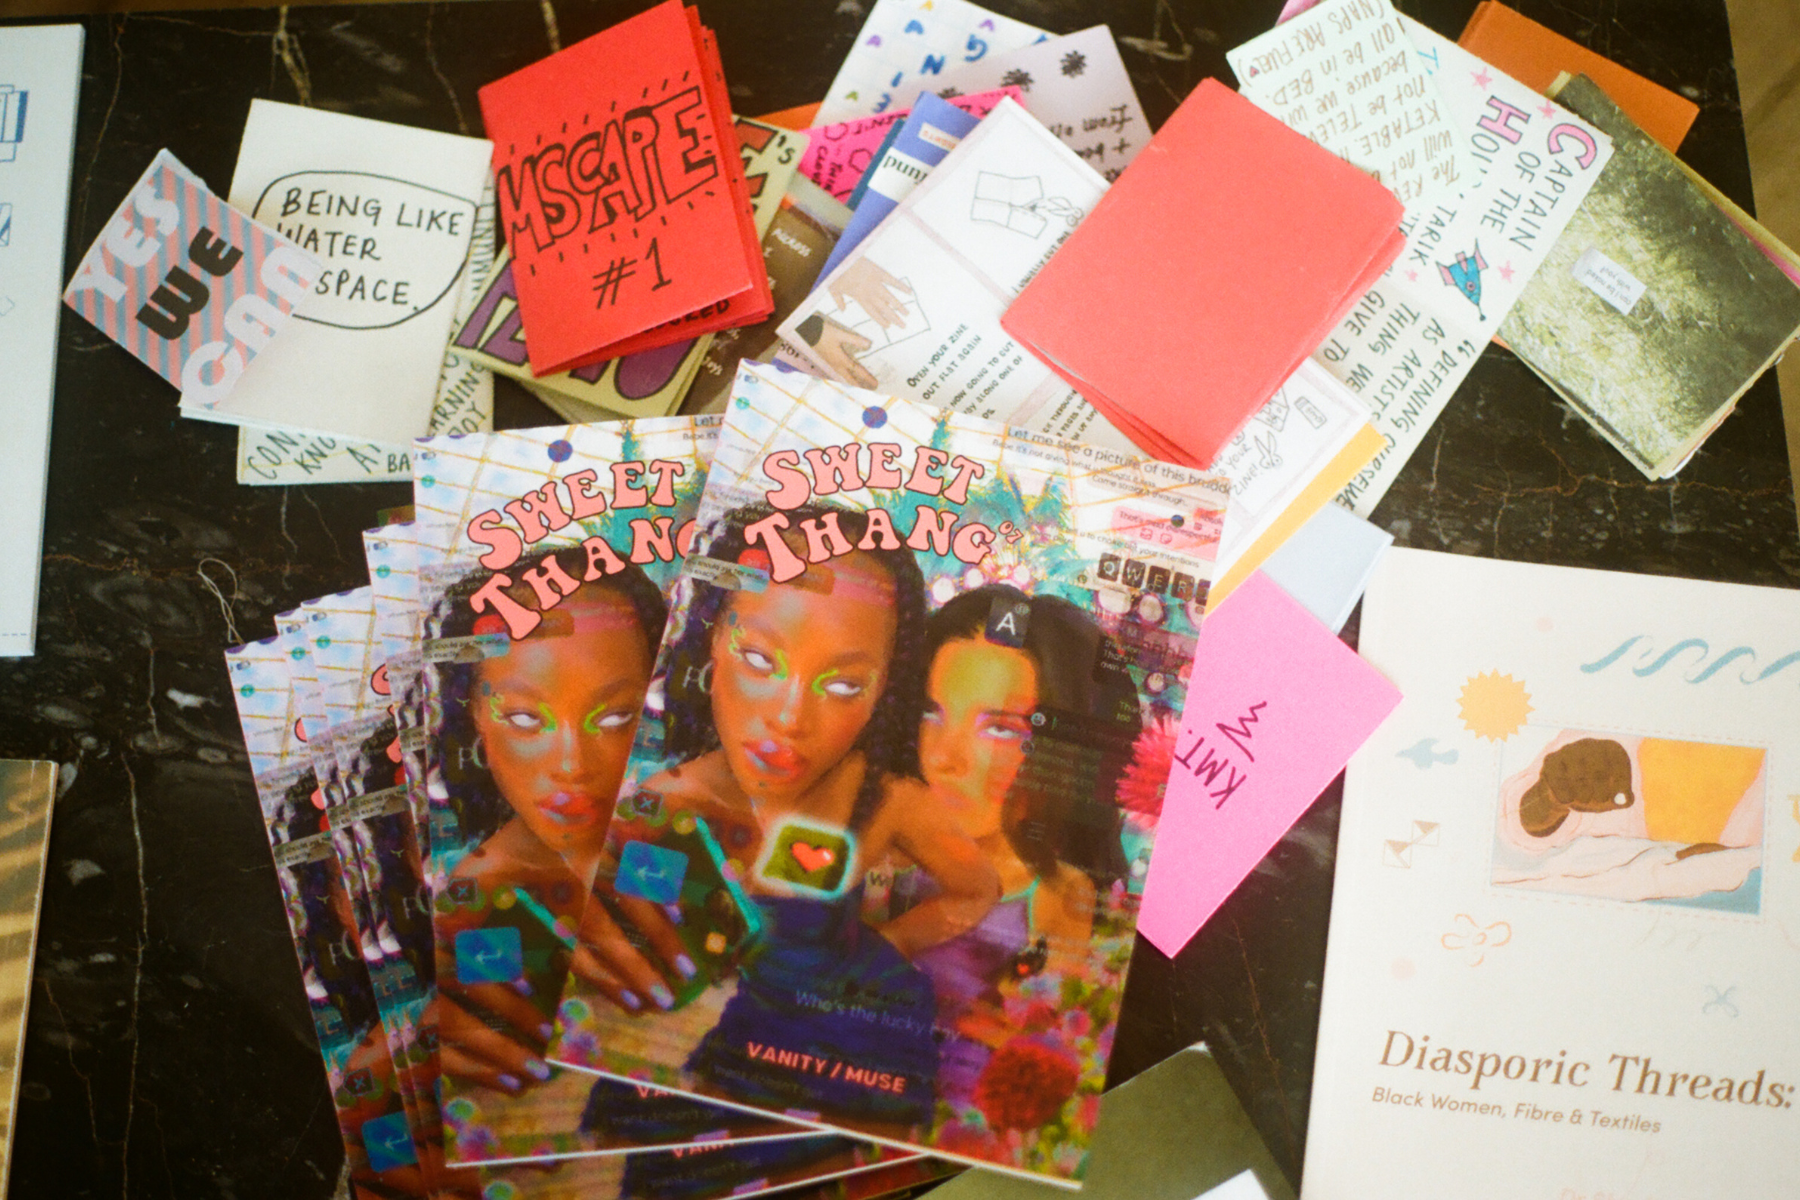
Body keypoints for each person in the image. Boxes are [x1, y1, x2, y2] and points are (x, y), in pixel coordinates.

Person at [571, 503, 999, 1131]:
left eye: (844, 685)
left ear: (886, 687)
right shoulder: (667, 805)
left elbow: (976, 886)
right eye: (759, 660)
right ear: (713, 640)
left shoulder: (883, 798)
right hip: (721, 1060)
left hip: (856, 1058)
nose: (790, 717)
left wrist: (887, 947)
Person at [893, 584, 1142, 1103]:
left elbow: (1032, 1062)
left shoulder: (1058, 897)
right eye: (932, 713)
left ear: (1061, 755)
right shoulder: (885, 852)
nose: (945, 757)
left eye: (1000, 729)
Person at [430, 549, 664, 1097]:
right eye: (524, 719)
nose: (572, 764)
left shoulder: (698, 830)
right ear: (473, 715)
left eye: (615, 717)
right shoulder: (475, 911)